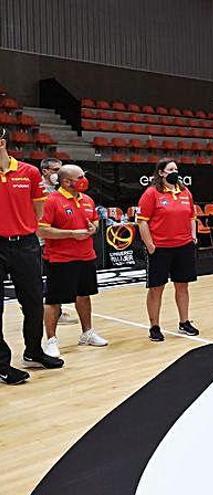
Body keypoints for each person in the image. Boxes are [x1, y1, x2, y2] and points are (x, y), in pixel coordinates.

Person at [0, 126, 63, 385]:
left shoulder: (29, 172)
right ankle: (2, 364)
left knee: (34, 302)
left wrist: (20, 227)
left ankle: (33, 351)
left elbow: (38, 211)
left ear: (1, 142)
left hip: (25, 245)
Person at [38, 164, 108, 357]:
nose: (84, 180)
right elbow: (42, 230)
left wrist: (93, 228)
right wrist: (71, 234)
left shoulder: (87, 199)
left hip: (86, 257)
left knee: (84, 295)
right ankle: (51, 340)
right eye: (79, 177)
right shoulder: (51, 201)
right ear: (67, 181)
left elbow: (93, 220)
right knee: (53, 301)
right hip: (60, 259)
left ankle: (87, 333)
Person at [136, 158, 199, 342]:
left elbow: (192, 216)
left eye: (176, 169)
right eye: (171, 169)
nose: (175, 172)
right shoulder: (151, 193)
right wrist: (150, 245)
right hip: (160, 249)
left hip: (184, 247)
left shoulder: (185, 192)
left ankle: (184, 322)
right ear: (161, 173)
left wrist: (193, 236)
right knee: (156, 288)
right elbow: (142, 221)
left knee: (182, 286)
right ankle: (154, 326)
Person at [39, 158, 79, 326]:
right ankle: (49, 311)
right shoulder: (39, 189)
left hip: (56, 238)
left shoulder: (59, 190)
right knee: (47, 278)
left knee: (54, 277)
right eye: (55, 170)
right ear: (45, 171)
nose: (58, 173)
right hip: (40, 239)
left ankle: (57, 311)